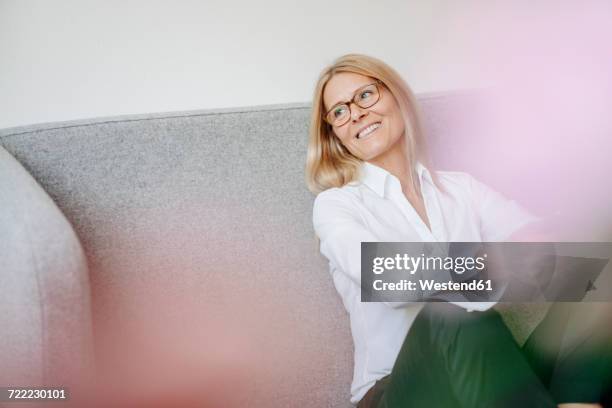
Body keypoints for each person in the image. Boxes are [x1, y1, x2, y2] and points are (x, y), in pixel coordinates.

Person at [305, 53, 611, 407]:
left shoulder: (461, 188)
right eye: (339, 112)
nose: (355, 113)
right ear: (335, 134)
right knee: (454, 315)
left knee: (602, 274)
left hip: (488, 376)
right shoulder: (336, 205)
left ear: (396, 96)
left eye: (365, 95)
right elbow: (388, 277)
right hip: (402, 392)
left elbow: (545, 252)